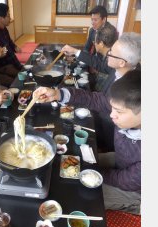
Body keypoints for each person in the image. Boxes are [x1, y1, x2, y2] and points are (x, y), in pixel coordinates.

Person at [33, 70, 141, 214]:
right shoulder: (126, 104)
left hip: (136, 190)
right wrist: (57, 94)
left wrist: (89, 172)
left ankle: (136, 207)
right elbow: (92, 99)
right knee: (70, 164)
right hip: (123, 161)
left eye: (118, 112)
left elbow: (126, 180)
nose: (111, 115)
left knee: (78, 193)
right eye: (112, 108)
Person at [61, 32, 141, 151]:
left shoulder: (135, 87)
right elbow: (98, 64)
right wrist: (75, 51)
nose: (107, 54)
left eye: (111, 53)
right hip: (99, 116)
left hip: (112, 134)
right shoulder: (120, 67)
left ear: (122, 62)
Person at [0, 3, 22, 84]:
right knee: (21, 78)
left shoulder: (3, 28)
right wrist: (20, 67)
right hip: (2, 65)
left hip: (7, 62)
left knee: (22, 74)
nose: (10, 18)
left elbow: (9, 41)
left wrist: (15, 47)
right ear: (1, 18)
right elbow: (8, 53)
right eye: (8, 16)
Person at [93, 23, 118, 91]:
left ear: (101, 44)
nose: (94, 43)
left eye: (95, 41)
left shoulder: (110, 62)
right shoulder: (110, 55)